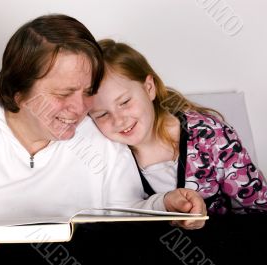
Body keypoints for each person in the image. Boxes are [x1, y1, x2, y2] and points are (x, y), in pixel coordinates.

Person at [0, 15, 206, 265]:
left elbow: (123, 215)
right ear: (17, 91)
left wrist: (164, 205)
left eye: (88, 92)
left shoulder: (97, 135)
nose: (79, 109)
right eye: (62, 94)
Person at [89, 39, 267, 216]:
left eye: (125, 102)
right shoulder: (108, 153)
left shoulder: (211, 136)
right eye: (102, 114)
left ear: (149, 88)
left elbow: (259, 206)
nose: (118, 120)